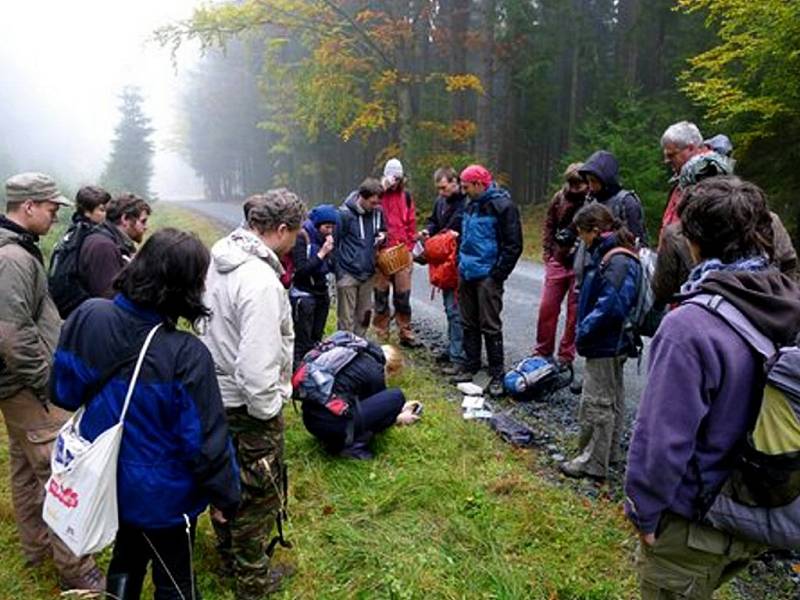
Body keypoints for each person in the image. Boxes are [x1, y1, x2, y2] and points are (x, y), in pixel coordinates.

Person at [625, 176, 800, 599]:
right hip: (766, 505)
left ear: (694, 243)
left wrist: (644, 512)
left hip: (698, 520)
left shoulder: (690, 325)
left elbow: (661, 439)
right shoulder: (788, 299)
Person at [50, 228, 241, 600]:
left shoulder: (88, 315)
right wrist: (227, 496)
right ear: (187, 288)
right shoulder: (186, 354)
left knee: (126, 556)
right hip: (164, 496)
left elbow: (63, 392)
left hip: (106, 479)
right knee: (175, 578)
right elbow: (205, 445)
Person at [0, 172, 104, 592]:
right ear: (28, 206)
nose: (55, 215)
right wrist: (48, 382)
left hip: (15, 387)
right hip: (28, 389)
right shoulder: (12, 259)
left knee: (26, 468)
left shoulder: (18, 251)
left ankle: (37, 547)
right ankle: (78, 572)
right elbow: (10, 333)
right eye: (50, 207)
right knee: (63, 475)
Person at [201, 189, 305, 598]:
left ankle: (228, 561)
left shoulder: (219, 256)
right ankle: (253, 583)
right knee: (257, 495)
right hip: (247, 404)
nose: (297, 242)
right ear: (280, 230)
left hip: (214, 394)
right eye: (295, 234)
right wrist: (268, 411)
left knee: (225, 483)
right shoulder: (260, 281)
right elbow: (257, 363)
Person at [559, 203, 641, 481]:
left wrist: (585, 329)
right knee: (613, 398)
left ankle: (592, 462)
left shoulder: (616, 259)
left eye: (582, 233)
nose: (581, 240)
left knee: (597, 402)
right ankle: (609, 453)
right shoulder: (613, 252)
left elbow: (612, 305)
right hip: (612, 340)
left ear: (595, 230)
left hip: (606, 341)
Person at [454, 164, 523, 397]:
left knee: (490, 324)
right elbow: (465, 236)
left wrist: (497, 275)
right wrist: (459, 264)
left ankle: (496, 373)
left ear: (478, 184)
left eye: (466, 187)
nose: (463, 191)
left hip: (487, 276)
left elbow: (514, 245)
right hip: (467, 272)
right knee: (468, 322)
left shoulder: (503, 206)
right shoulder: (470, 204)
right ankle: (471, 365)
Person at [297, 333, 420, 460]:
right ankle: (352, 446)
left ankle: (336, 437)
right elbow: (378, 414)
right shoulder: (375, 371)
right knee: (396, 396)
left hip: (310, 421)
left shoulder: (352, 350)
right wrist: (398, 417)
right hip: (333, 428)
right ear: (389, 369)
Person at [533, 162, 587, 371]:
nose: (575, 188)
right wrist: (548, 253)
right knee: (547, 307)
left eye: (579, 184)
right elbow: (549, 224)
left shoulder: (591, 201)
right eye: (572, 183)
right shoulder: (559, 198)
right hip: (558, 259)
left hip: (579, 263)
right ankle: (542, 351)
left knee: (574, 313)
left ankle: (566, 355)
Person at [419, 166, 467, 373]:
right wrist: (427, 230)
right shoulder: (441, 202)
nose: (441, 192)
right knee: (450, 309)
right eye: (438, 188)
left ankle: (460, 355)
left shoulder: (466, 203)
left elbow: (453, 229)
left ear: (455, 182)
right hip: (445, 263)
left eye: (444, 188)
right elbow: (434, 221)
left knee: (457, 311)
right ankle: (454, 348)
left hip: (460, 262)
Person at [373, 159, 420, 346]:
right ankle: (381, 333)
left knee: (403, 296)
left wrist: (409, 249)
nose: (395, 182)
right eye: (392, 177)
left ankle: (405, 331)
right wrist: (381, 188)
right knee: (380, 296)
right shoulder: (376, 195)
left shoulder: (406, 197)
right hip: (380, 253)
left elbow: (411, 223)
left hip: (401, 252)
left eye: (398, 178)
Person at [48, 185, 113, 317]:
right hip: (81, 310)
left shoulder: (70, 233)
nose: (105, 215)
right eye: (101, 210)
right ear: (87, 212)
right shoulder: (95, 239)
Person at [336, 178, 386, 336]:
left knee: (364, 317)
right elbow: (334, 242)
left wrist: (383, 236)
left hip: (368, 273)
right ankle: (343, 352)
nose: (375, 206)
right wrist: (339, 271)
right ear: (362, 197)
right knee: (346, 320)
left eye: (377, 203)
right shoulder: (344, 215)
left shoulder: (377, 213)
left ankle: (359, 350)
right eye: (372, 203)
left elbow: (383, 230)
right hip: (347, 273)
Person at [290, 203, 338, 370]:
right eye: (326, 227)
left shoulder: (326, 238)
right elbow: (301, 270)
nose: (330, 231)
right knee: (303, 339)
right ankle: (298, 373)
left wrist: (330, 255)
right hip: (304, 295)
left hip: (321, 293)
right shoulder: (302, 237)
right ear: (317, 225)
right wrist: (322, 253)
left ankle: (313, 370)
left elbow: (330, 266)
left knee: (317, 337)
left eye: (332, 227)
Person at [79, 192, 151, 298]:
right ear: (125, 219)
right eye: (143, 221)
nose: (146, 227)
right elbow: (108, 297)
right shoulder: (103, 246)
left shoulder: (113, 242)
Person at [578, 150, 646, 244]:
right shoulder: (590, 201)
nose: (590, 186)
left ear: (605, 180)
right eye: (588, 181)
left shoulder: (626, 202)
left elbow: (637, 241)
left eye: (593, 181)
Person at [659, 121, 707, 237]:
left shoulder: (708, 178)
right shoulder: (685, 177)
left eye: (671, 155)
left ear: (690, 148)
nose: (666, 161)